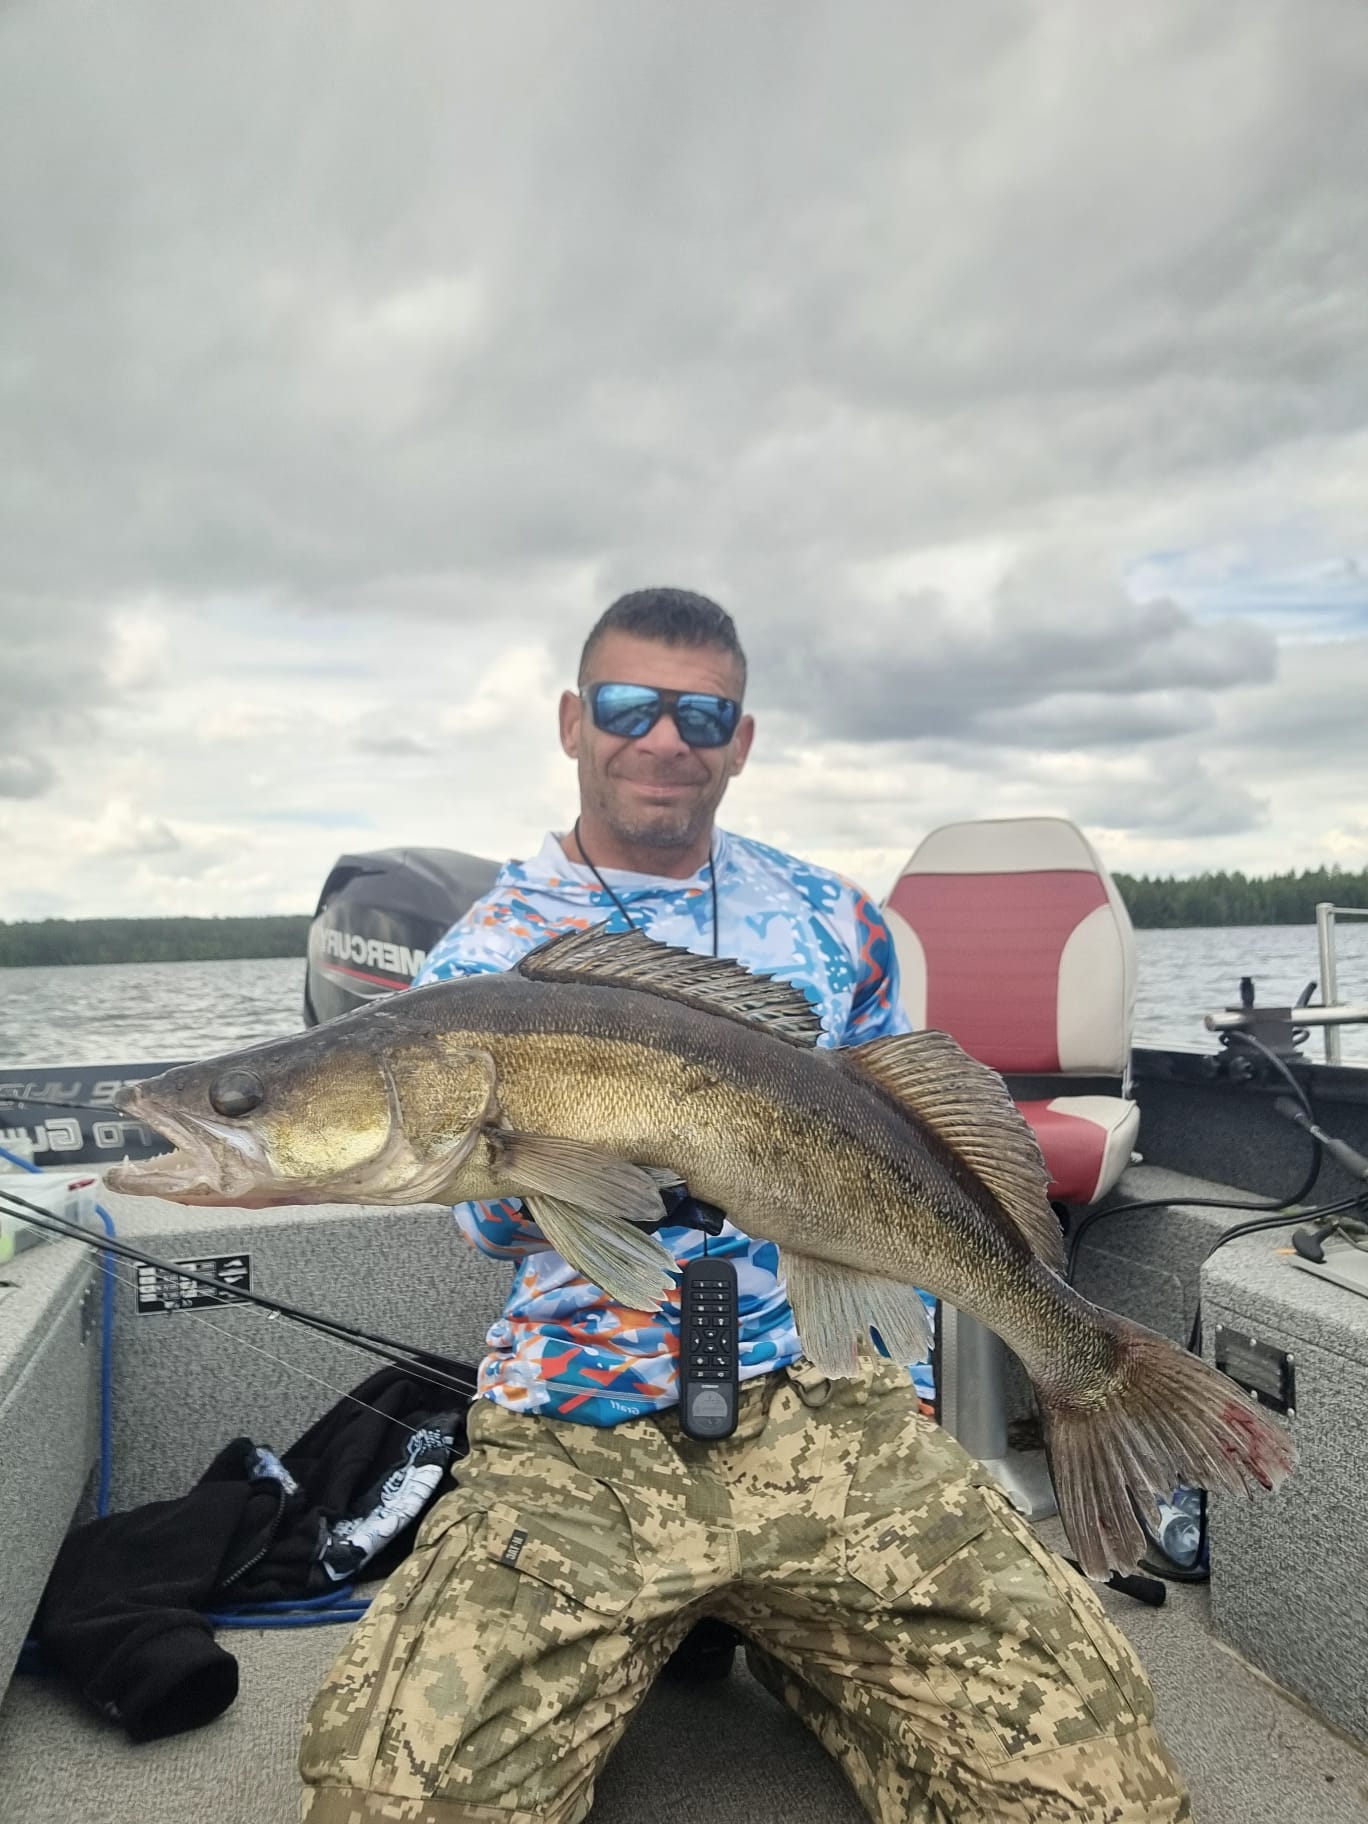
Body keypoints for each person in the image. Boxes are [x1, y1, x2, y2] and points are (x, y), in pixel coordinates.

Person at [299, 589, 1191, 1823]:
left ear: (741, 739)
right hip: (580, 1431)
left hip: (832, 1402)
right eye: (629, 705)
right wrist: (597, 1174)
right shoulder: (481, 958)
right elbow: (488, 1226)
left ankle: (801, 1633)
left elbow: (909, 1139)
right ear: (572, 721)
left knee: (1101, 1800)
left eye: (702, 714)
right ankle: (739, 1629)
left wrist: (969, 1339)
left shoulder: (837, 918)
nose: (665, 739)